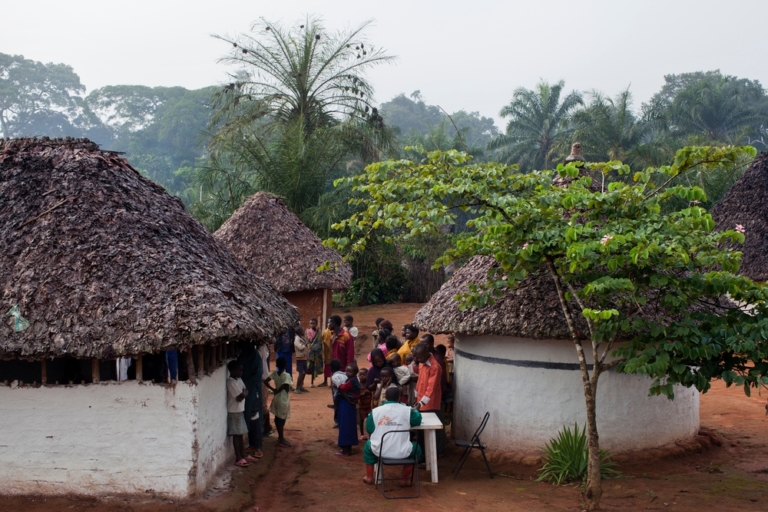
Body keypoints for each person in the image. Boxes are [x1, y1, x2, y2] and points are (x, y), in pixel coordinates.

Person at [362, 386, 423, 485]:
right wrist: (415, 411)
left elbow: (369, 429)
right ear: (399, 397)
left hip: (380, 449)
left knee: (368, 446)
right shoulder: (407, 410)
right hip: (402, 450)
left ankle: (369, 477)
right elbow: (417, 421)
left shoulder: (376, 411)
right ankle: (404, 479)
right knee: (417, 448)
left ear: (385, 397)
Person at [412, 343, 445, 458]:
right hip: (421, 402)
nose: (417, 359)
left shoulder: (435, 367)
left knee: (431, 433)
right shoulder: (422, 363)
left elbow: (431, 388)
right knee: (421, 432)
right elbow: (419, 381)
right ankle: (423, 454)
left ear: (426, 354)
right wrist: (416, 397)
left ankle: (432, 455)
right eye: (415, 357)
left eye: (419, 357)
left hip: (430, 404)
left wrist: (421, 402)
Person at [227, 361, 258, 467]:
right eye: (239, 371)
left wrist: (244, 393)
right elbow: (240, 397)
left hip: (240, 410)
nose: (241, 373)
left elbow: (245, 391)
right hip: (234, 411)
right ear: (232, 371)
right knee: (237, 435)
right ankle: (238, 457)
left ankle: (243, 454)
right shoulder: (231, 382)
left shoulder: (238, 379)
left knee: (240, 434)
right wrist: (244, 393)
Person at [237, 342, 264, 459]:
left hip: (252, 390)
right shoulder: (243, 353)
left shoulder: (254, 355)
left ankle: (258, 446)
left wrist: (246, 386)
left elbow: (258, 375)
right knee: (248, 417)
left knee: (254, 417)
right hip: (246, 389)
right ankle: (253, 444)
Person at [264, 356, 293, 448]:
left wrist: (273, 389)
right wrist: (278, 390)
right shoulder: (287, 375)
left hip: (276, 398)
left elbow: (265, 381)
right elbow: (286, 386)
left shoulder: (275, 374)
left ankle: (280, 437)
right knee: (281, 419)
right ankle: (281, 438)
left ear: (276, 365)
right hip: (283, 399)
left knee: (277, 418)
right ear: (285, 365)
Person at [336, 363, 360, 456]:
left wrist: (339, 386)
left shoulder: (351, 380)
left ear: (354, 373)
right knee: (349, 426)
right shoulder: (354, 379)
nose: (347, 373)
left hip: (346, 404)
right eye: (347, 371)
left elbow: (343, 388)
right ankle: (348, 448)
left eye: (350, 371)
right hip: (350, 405)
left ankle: (345, 450)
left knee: (345, 426)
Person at [257, 339, 273, 436]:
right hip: (263, 378)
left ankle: (266, 427)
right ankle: (266, 427)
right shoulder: (261, 350)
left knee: (263, 405)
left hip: (263, 379)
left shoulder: (262, 350)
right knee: (263, 405)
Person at [306, 318, 324, 388]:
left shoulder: (319, 331)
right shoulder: (308, 331)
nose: (312, 325)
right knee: (309, 366)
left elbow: (320, 341)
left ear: (316, 324)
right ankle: (302, 382)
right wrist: (316, 333)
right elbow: (310, 340)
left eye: (313, 323)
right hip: (311, 351)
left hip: (317, 352)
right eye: (311, 323)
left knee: (314, 366)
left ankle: (312, 382)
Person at [357, 367, 373, 440]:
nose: (362, 376)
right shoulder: (357, 385)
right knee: (361, 420)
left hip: (369, 405)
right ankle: (362, 434)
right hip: (361, 405)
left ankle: (371, 434)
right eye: (360, 375)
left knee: (370, 420)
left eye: (364, 374)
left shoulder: (369, 384)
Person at [293, 326, 309, 393]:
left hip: (304, 357)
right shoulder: (297, 339)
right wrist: (305, 345)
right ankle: (297, 388)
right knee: (301, 373)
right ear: (299, 332)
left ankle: (301, 386)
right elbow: (300, 347)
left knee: (304, 372)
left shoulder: (301, 338)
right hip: (300, 358)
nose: (303, 331)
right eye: (302, 330)